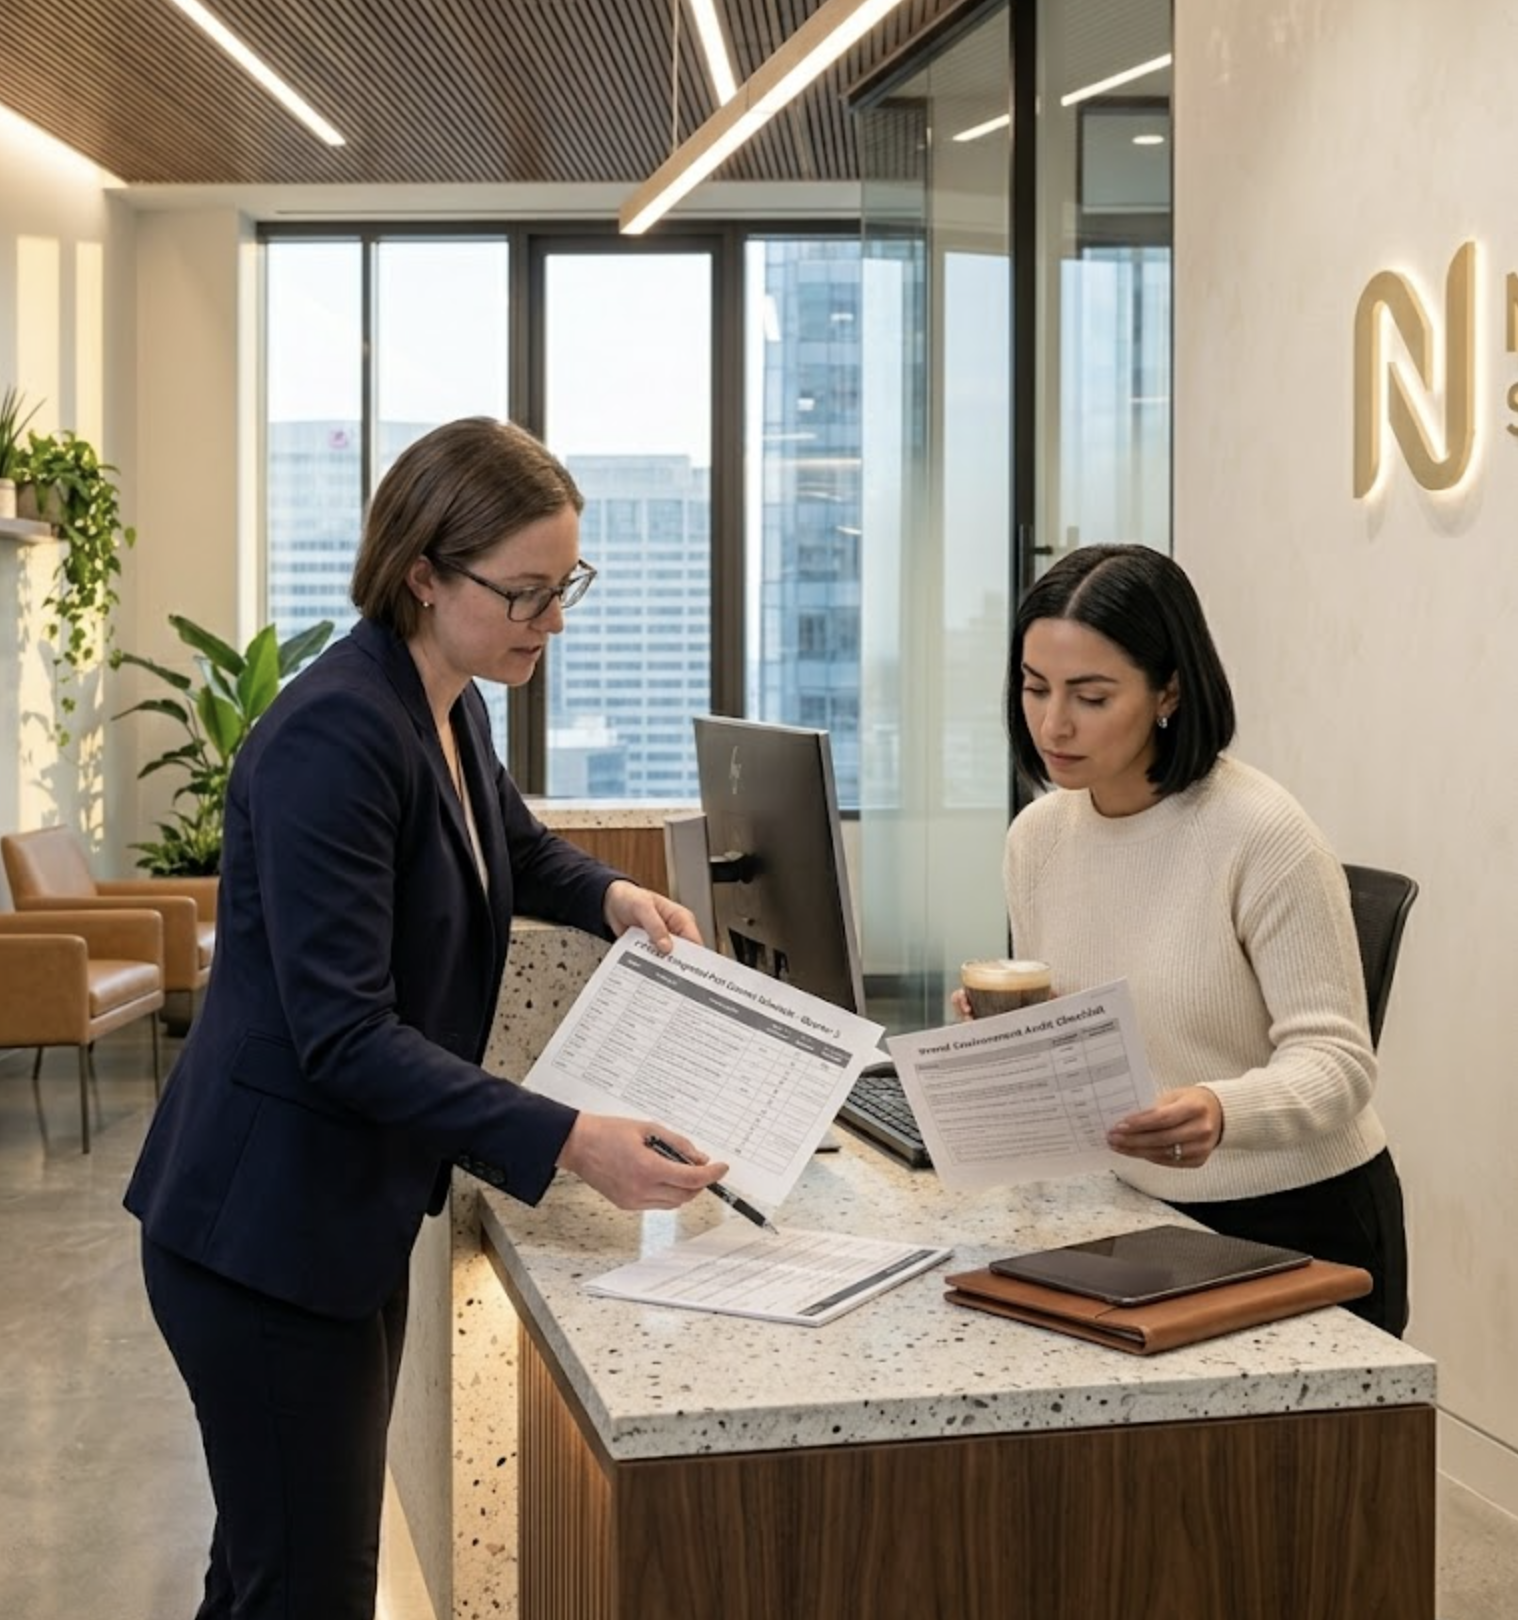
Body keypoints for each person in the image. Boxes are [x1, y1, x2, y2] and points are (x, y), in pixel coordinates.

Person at [124, 417, 728, 1619]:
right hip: (262, 1237)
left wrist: (609, 895)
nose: (552, 622)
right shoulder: (336, 735)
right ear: (422, 573)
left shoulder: (445, 700)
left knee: (266, 1571)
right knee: (309, 1586)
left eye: (567, 589)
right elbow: (344, 1034)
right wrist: (569, 1137)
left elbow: (502, 838)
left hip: (332, 1216)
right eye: (526, 594)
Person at [969, 542, 1408, 1336]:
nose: (1053, 723)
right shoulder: (1038, 837)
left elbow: (1341, 1066)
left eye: (1091, 697)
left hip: (1292, 1223)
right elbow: (1098, 1026)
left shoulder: (1261, 833)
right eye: (1035, 688)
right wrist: (1014, 1040)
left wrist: (1220, 1108)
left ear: (1169, 689)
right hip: (1131, 1211)